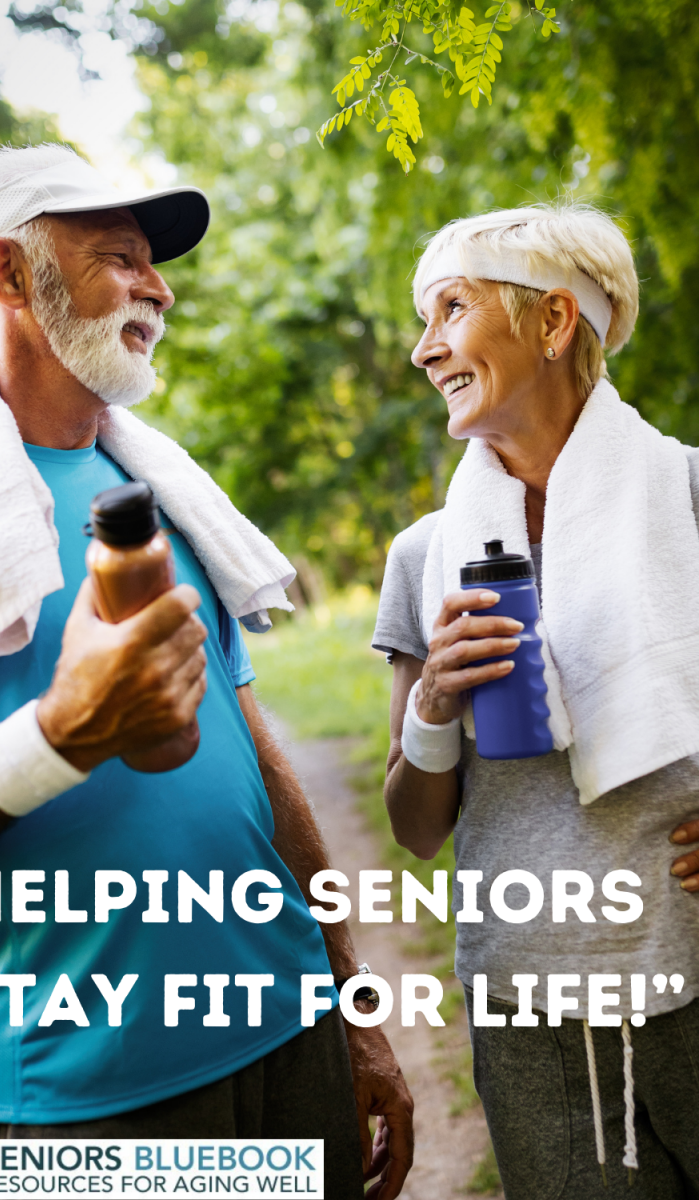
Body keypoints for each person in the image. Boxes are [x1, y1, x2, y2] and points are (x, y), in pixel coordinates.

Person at [0, 142, 413, 1198]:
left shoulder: (154, 489)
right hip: (89, 1091)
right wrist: (55, 741)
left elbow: (255, 754)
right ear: (8, 274)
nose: (160, 287)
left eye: (153, 262)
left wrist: (352, 1009)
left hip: (288, 1030)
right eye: (121, 258)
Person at [372, 203, 699, 1199]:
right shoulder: (425, 557)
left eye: (450, 309)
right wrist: (432, 701)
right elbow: (413, 827)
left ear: (552, 323)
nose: (423, 349)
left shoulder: (687, 499)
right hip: (526, 1004)